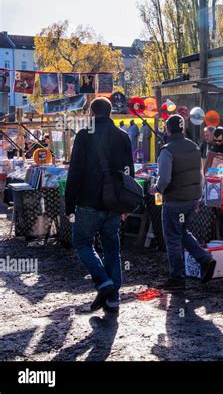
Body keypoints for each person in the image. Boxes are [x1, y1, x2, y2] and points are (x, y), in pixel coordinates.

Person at [65, 97, 134, 314]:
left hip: (87, 202)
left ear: (92, 114)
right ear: (110, 112)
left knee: (82, 243)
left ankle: (103, 282)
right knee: (112, 249)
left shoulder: (84, 136)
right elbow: (128, 174)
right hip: (113, 203)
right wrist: (125, 206)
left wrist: (69, 206)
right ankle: (113, 300)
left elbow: (75, 172)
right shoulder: (122, 136)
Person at [154, 114, 216, 291]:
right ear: (182, 128)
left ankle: (177, 278)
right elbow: (201, 175)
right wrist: (198, 198)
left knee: (172, 238)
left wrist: (156, 189)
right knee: (182, 233)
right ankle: (204, 259)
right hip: (192, 199)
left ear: (168, 129)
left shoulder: (167, 150)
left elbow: (164, 178)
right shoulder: (194, 147)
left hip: (174, 200)